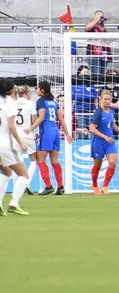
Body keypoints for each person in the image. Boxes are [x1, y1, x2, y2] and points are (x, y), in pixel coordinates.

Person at [24, 81, 73, 195]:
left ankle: (48, 186)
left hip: (46, 132)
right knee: (54, 161)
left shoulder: (41, 101)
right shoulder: (54, 102)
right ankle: (60, 187)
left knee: (40, 159)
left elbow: (41, 118)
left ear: (42, 90)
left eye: (37, 88)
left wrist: (30, 128)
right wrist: (67, 134)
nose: (36, 90)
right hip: (56, 132)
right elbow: (61, 119)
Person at [0, 79, 30, 215]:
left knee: (6, 173)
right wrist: (20, 142)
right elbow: (11, 126)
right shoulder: (10, 103)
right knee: (24, 174)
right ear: (11, 89)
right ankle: (14, 203)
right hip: (6, 144)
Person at [89, 90, 119, 195]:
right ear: (101, 100)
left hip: (109, 141)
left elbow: (112, 124)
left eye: (109, 99)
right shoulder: (98, 113)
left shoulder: (111, 111)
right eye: (105, 99)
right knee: (98, 164)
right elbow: (92, 128)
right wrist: (105, 137)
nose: (107, 101)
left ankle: (105, 186)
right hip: (98, 142)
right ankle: (94, 185)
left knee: (113, 162)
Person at [13, 86, 37, 195]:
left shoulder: (13, 104)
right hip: (28, 135)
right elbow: (33, 120)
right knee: (33, 160)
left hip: (17, 136)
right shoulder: (30, 104)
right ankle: (27, 182)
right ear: (26, 93)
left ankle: (16, 187)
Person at [85, 10, 110, 76]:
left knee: (102, 75)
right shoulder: (91, 25)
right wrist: (96, 20)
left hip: (103, 54)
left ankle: (100, 86)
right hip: (93, 54)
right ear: (94, 17)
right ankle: (96, 86)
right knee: (96, 75)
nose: (100, 17)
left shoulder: (103, 29)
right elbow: (87, 28)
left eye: (102, 16)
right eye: (98, 15)